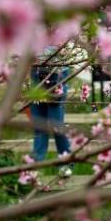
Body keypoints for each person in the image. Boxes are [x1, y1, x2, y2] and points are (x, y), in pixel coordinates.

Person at [30, 46, 73, 175]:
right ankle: (36, 166)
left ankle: (65, 163)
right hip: (36, 74)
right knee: (39, 126)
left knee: (56, 126)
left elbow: (64, 50)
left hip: (56, 73)